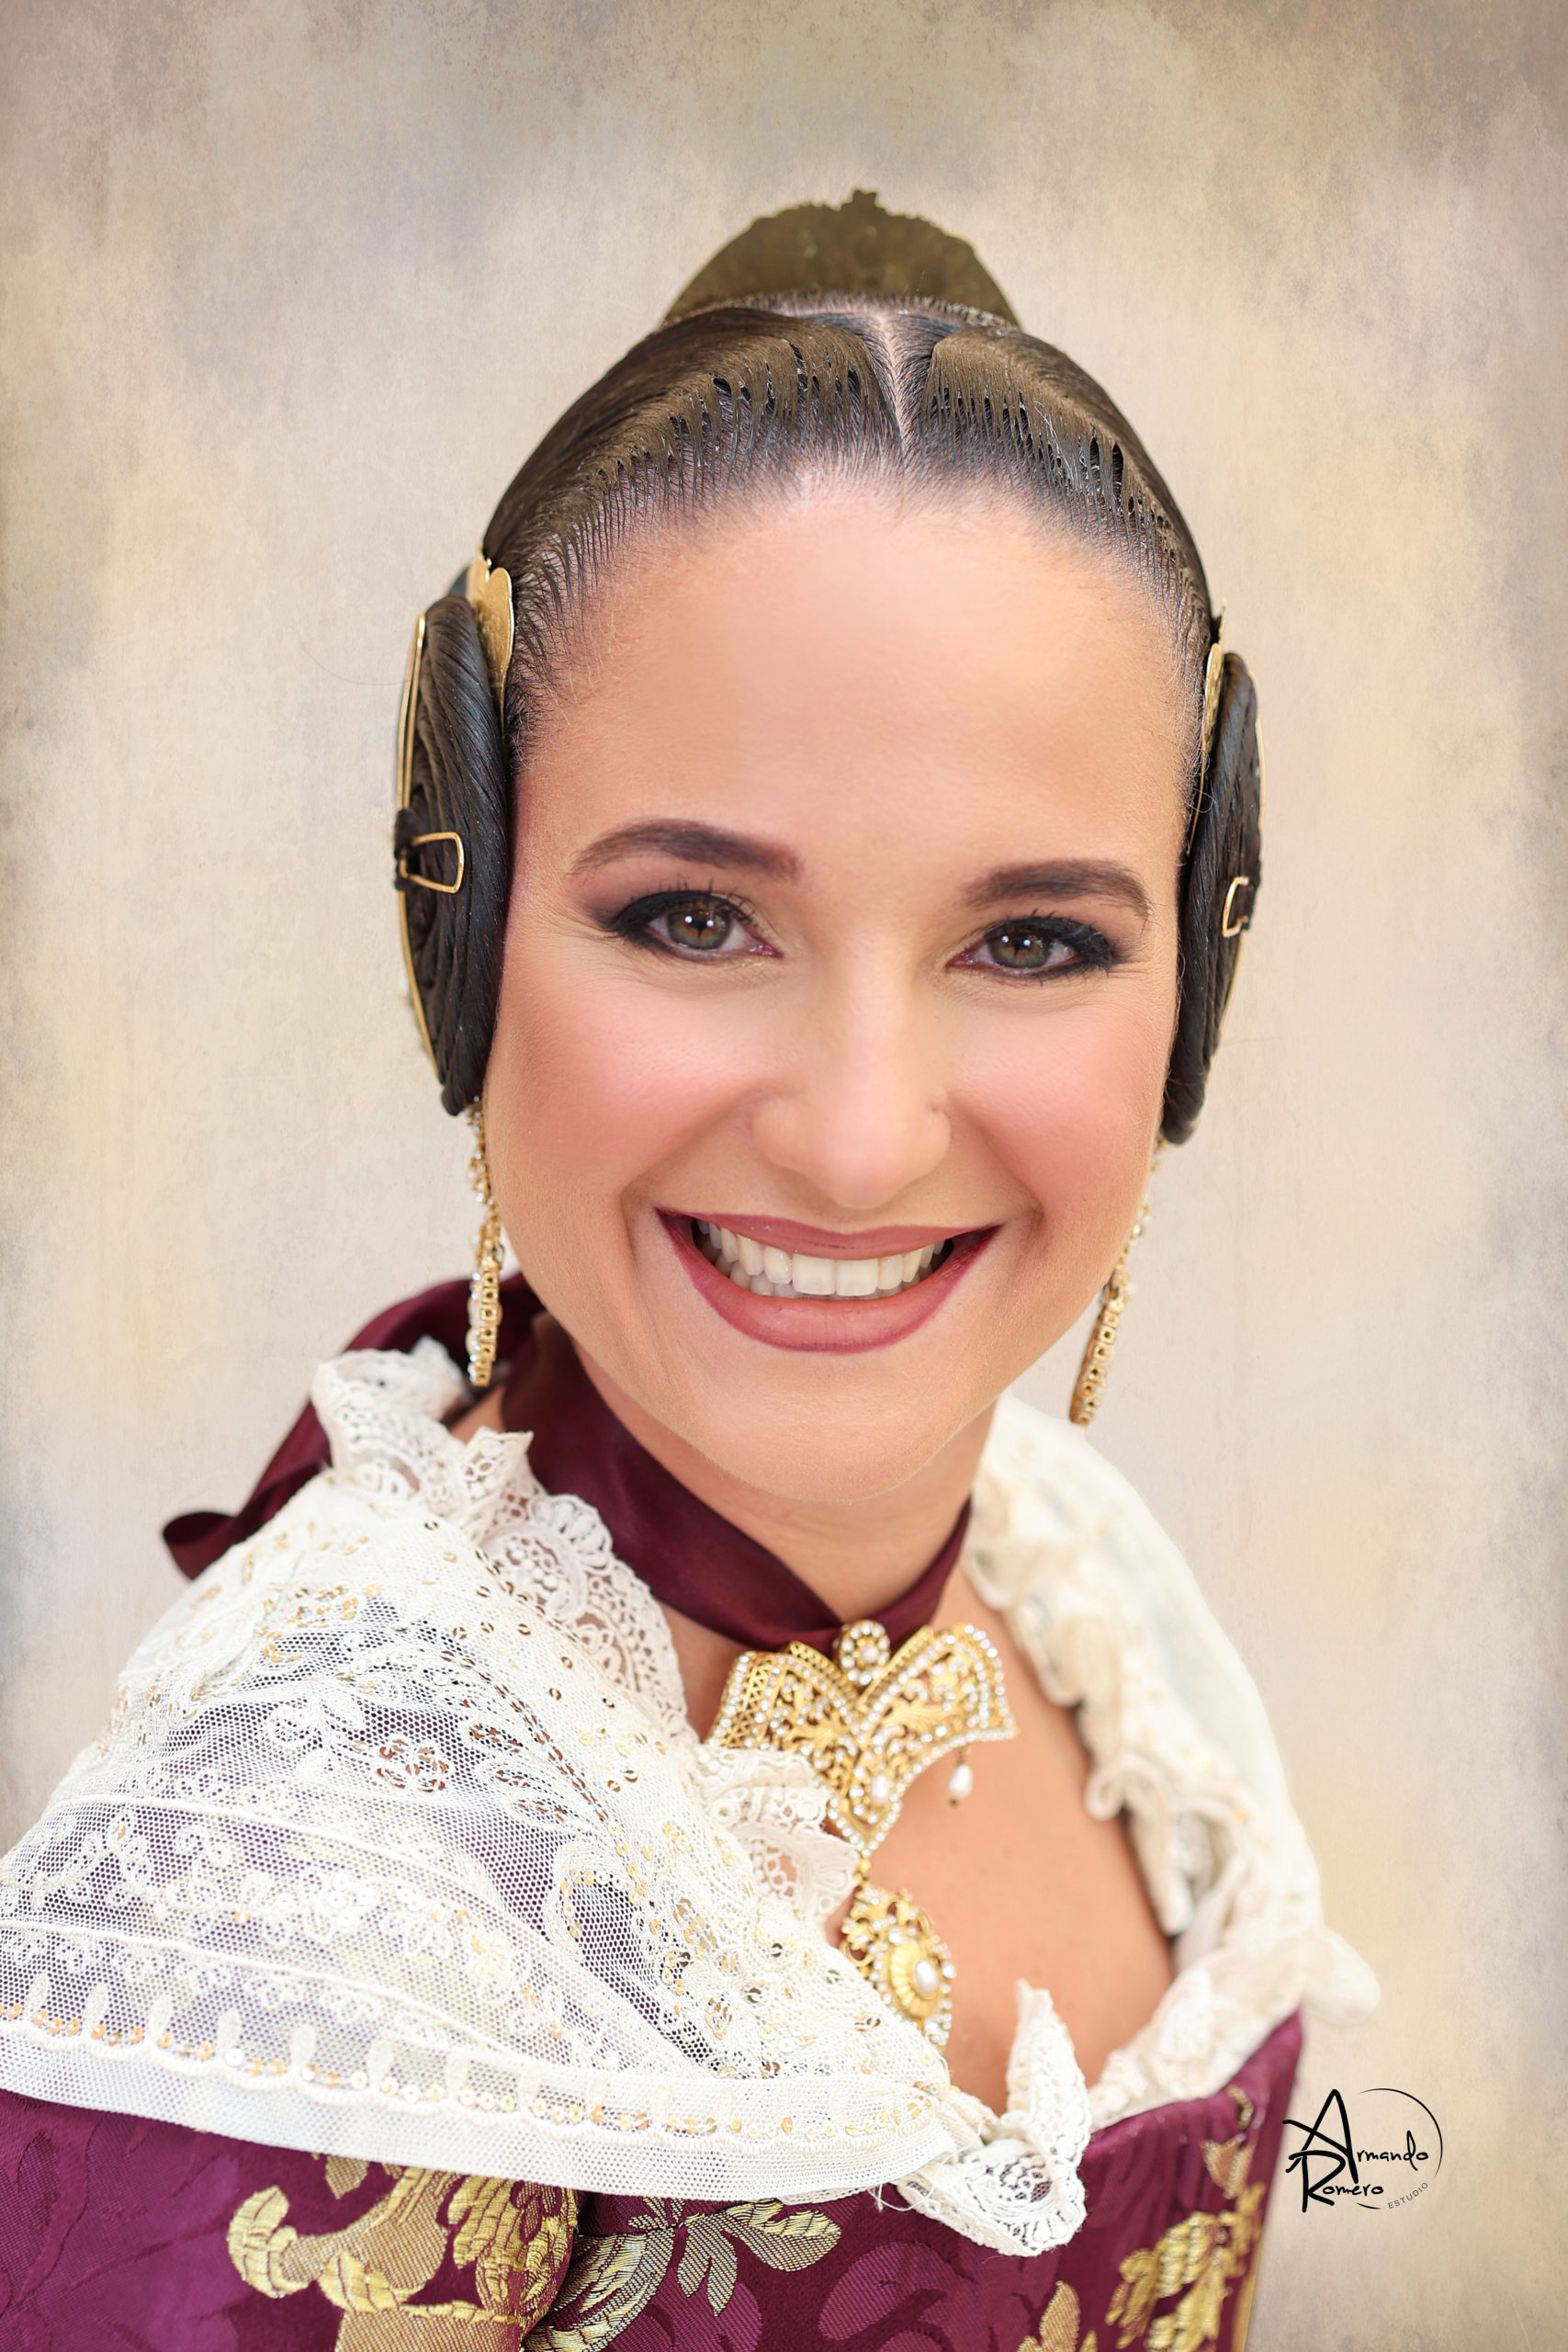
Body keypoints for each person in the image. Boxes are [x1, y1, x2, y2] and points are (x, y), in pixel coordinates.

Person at [0, 193, 1372, 2349]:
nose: (857, 1133)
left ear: (1189, 981)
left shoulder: (1091, 1600)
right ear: (461, 928)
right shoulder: (303, 1894)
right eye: (692, 918)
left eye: (1029, 940)